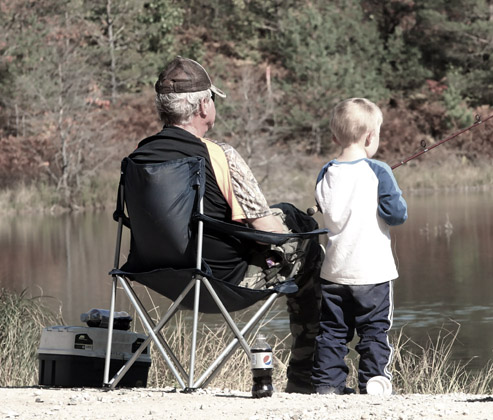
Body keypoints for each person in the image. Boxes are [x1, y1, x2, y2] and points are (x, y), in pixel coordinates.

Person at [128, 56, 322, 393]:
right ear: (203, 105)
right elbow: (268, 235)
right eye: (213, 99)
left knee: (282, 216)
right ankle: (307, 376)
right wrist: (296, 222)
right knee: (300, 229)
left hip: (158, 278)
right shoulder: (219, 155)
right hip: (222, 283)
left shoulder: (138, 157)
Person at [311, 98, 408, 395]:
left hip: (334, 272)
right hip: (373, 274)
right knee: (374, 331)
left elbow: (324, 208)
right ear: (370, 136)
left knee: (332, 332)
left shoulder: (325, 172)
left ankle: (328, 386)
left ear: (334, 137)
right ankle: (373, 384)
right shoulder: (378, 171)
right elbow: (397, 214)